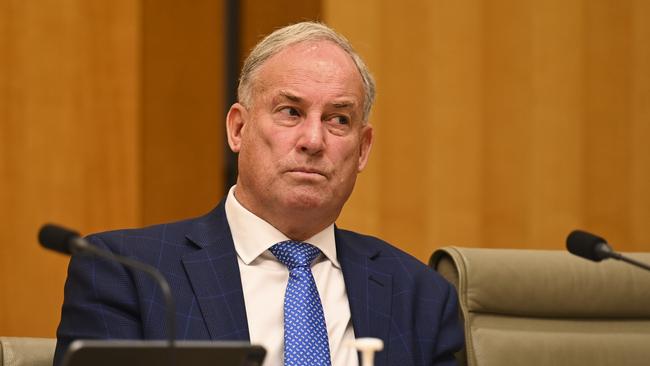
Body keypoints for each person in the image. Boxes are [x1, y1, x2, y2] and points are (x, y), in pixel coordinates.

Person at [54, 21, 463, 366]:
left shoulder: (421, 296)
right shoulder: (129, 274)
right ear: (238, 128)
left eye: (339, 119)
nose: (313, 139)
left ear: (363, 148)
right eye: (291, 112)